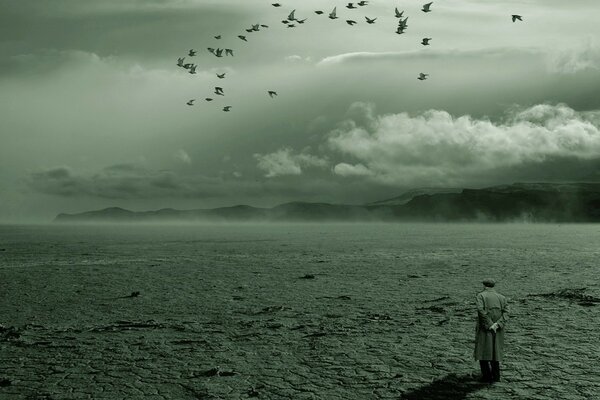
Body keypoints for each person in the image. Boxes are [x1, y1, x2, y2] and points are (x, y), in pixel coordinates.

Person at [474, 278, 509, 383]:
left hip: (485, 328)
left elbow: (481, 311)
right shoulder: (502, 297)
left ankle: (487, 376)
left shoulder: (481, 296)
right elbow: (506, 313)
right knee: (496, 351)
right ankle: (496, 376)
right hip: (498, 329)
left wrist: (490, 324)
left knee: (483, 351)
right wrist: (498, 324)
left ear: (484, 286)